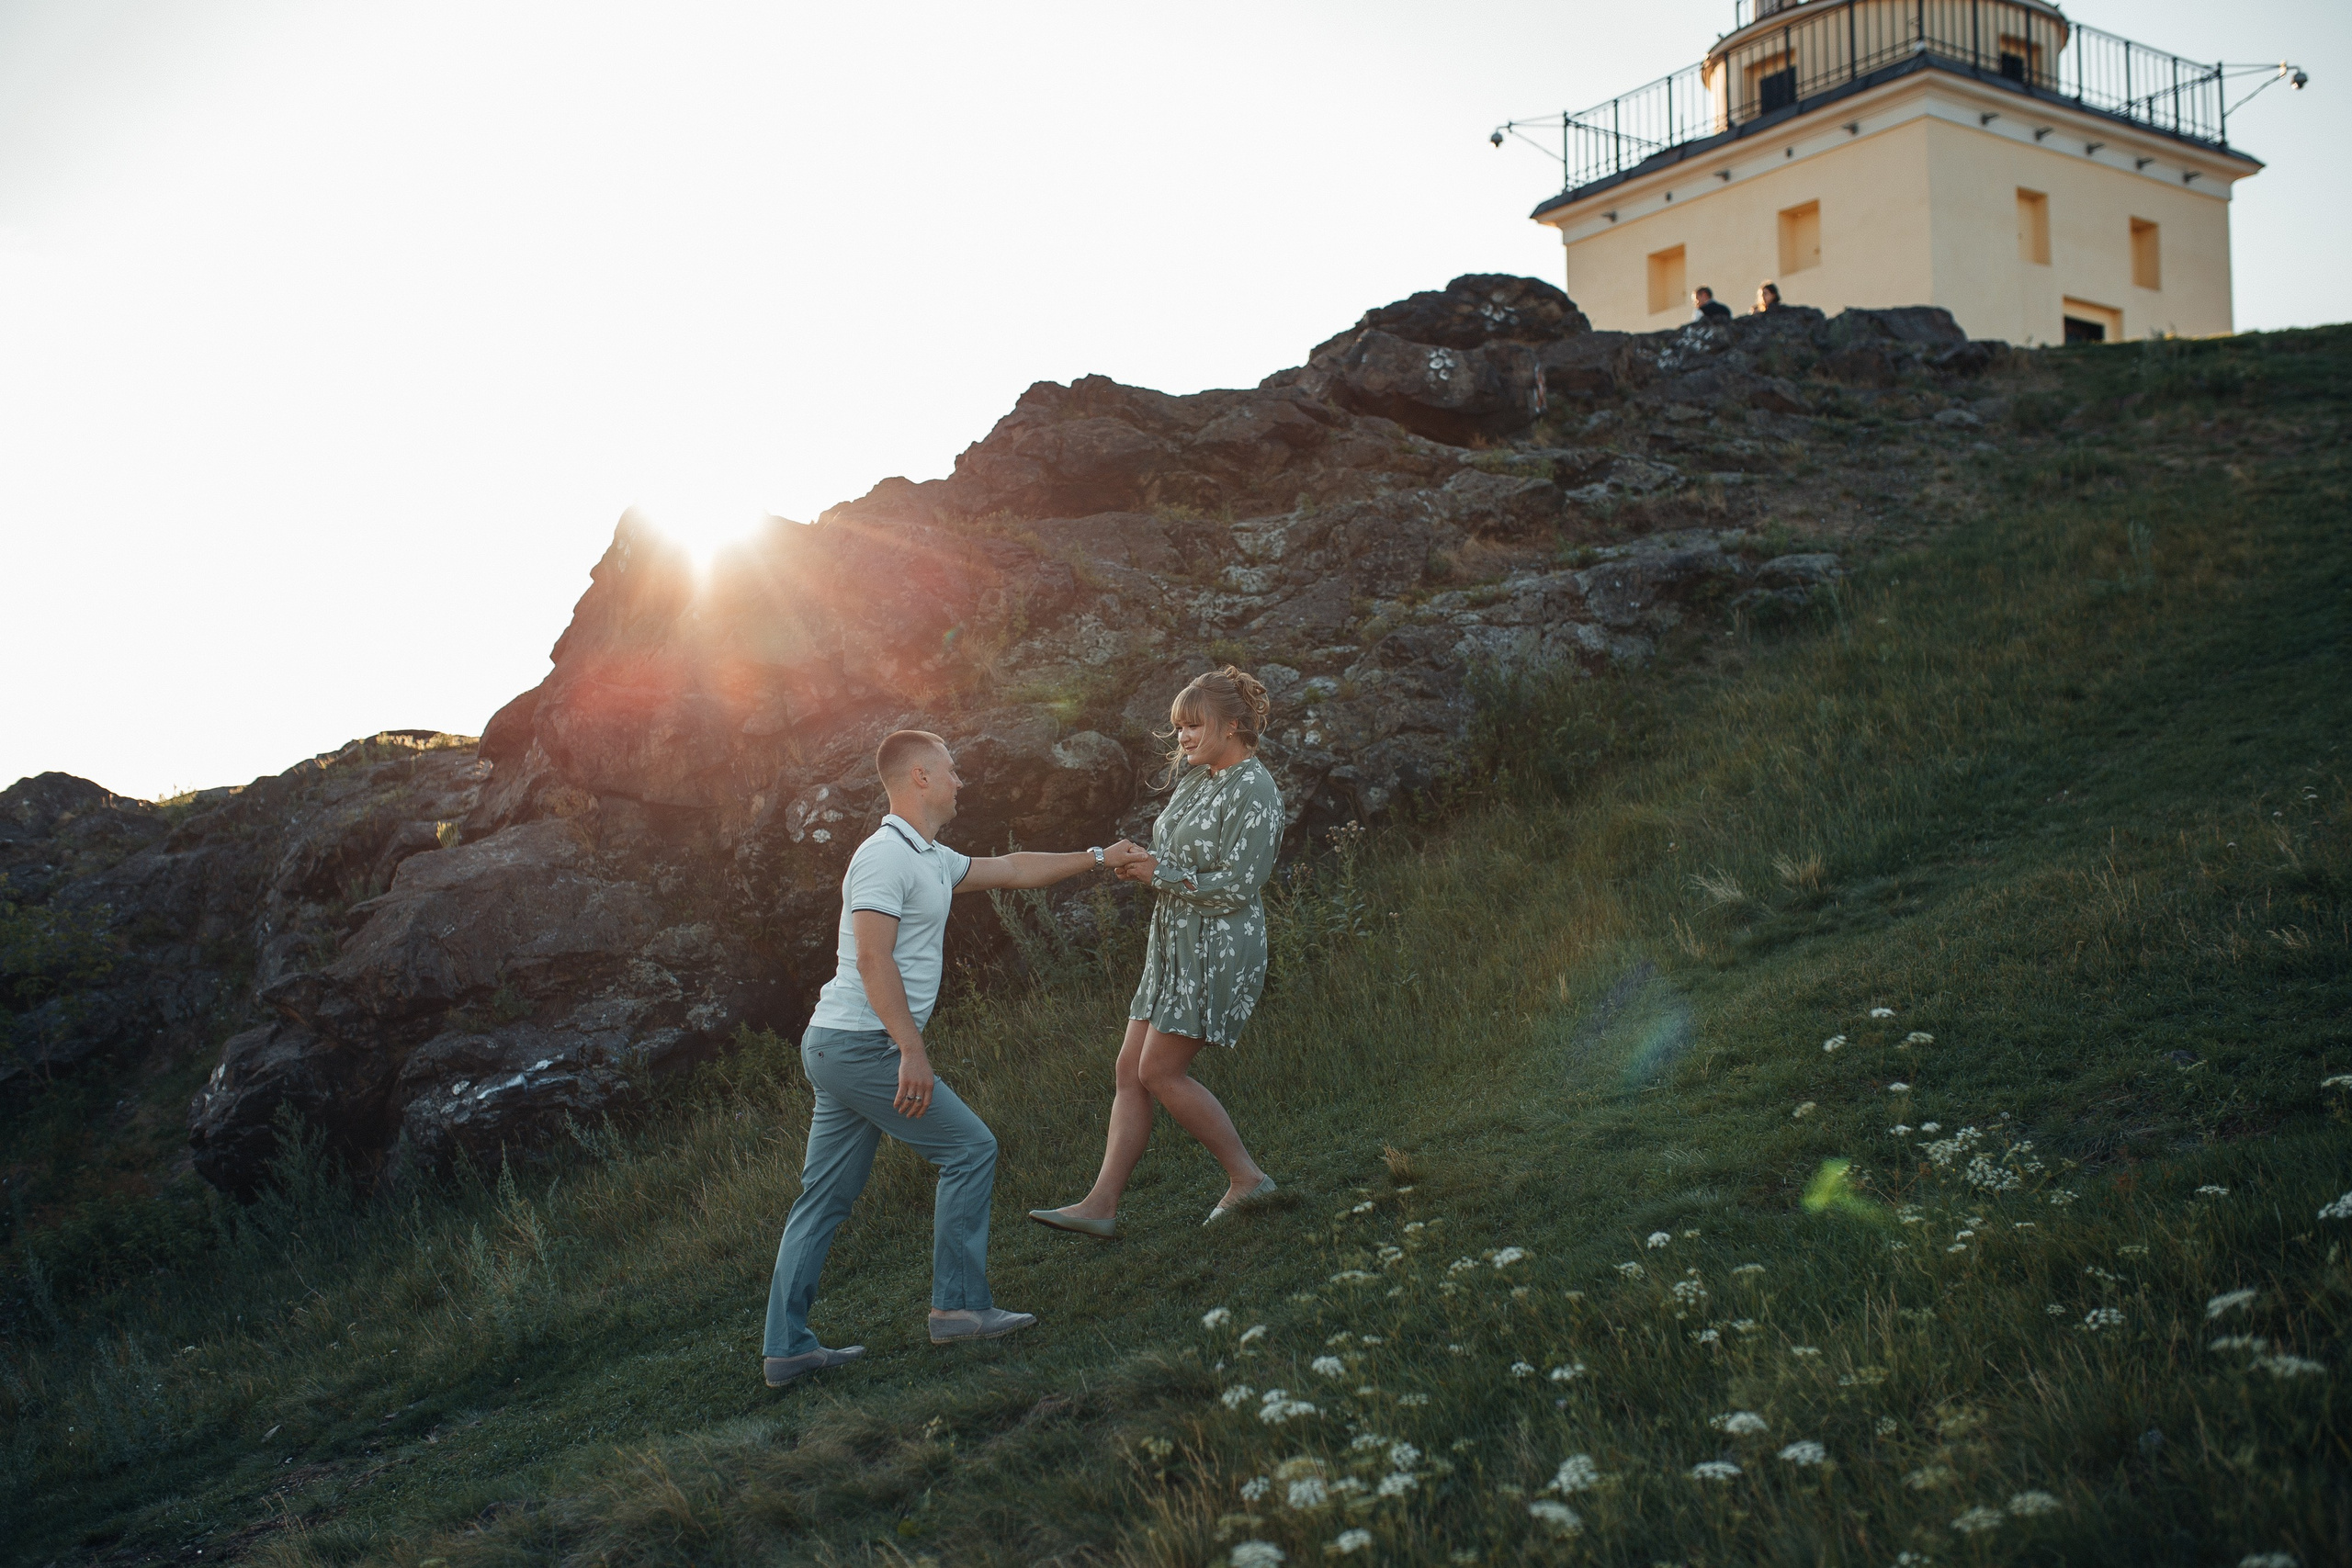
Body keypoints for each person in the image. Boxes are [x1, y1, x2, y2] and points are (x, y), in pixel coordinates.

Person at [761, 728, 1147, 1388]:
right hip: (862, 1044)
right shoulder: (883, 857)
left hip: (839, 1042)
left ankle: (787, 1348)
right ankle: (958, 1308)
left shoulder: (929, 855)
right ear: (919, 777)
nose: (959, 780)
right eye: (951, 769)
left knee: (824, 1197)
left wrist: (1098, 855)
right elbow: (871, 957)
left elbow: (1014, 868)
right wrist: (911, 1048)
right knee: (970, 1149)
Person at [1028, 667, 1284, 1237]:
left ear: (1235, 725)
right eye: (1179, 728)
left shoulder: (1256, 788)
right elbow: (1181, 858)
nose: (1184, 738)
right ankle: (1100, 1206)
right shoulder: (1199, 779)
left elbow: (1240, 885)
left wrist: (1159, 872)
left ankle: (1248, 1179)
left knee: (1160, 1070)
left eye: (1194, 726)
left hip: (1217, 946)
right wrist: (1147, 862)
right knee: (1129, 1071)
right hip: (1173, 941)